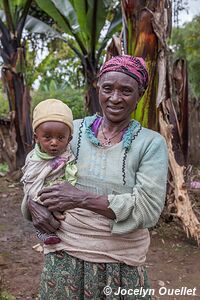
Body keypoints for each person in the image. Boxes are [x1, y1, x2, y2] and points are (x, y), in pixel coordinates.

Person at [25, 55, 168, 300]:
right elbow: (37, 168)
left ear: (140, 94)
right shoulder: (70, 131)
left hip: (121, 264)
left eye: (126, 90)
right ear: (98, 88)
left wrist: (81, 199)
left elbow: (148, 210)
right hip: (65, 259)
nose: (115, 98)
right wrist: (32, 204)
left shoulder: (150, 143)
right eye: (108, 88)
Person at [21, 99, 77, 245]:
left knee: (61, 219)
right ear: (36, 138)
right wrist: (37, 199)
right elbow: (30, 181)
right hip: (40, 195)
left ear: (69, 139)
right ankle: (43, 233)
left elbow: (71, 173)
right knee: (44, 217)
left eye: (60, 138)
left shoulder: (68, 155)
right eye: (47, 137)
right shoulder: (34, 159)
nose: (54, 142)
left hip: (61, 194)